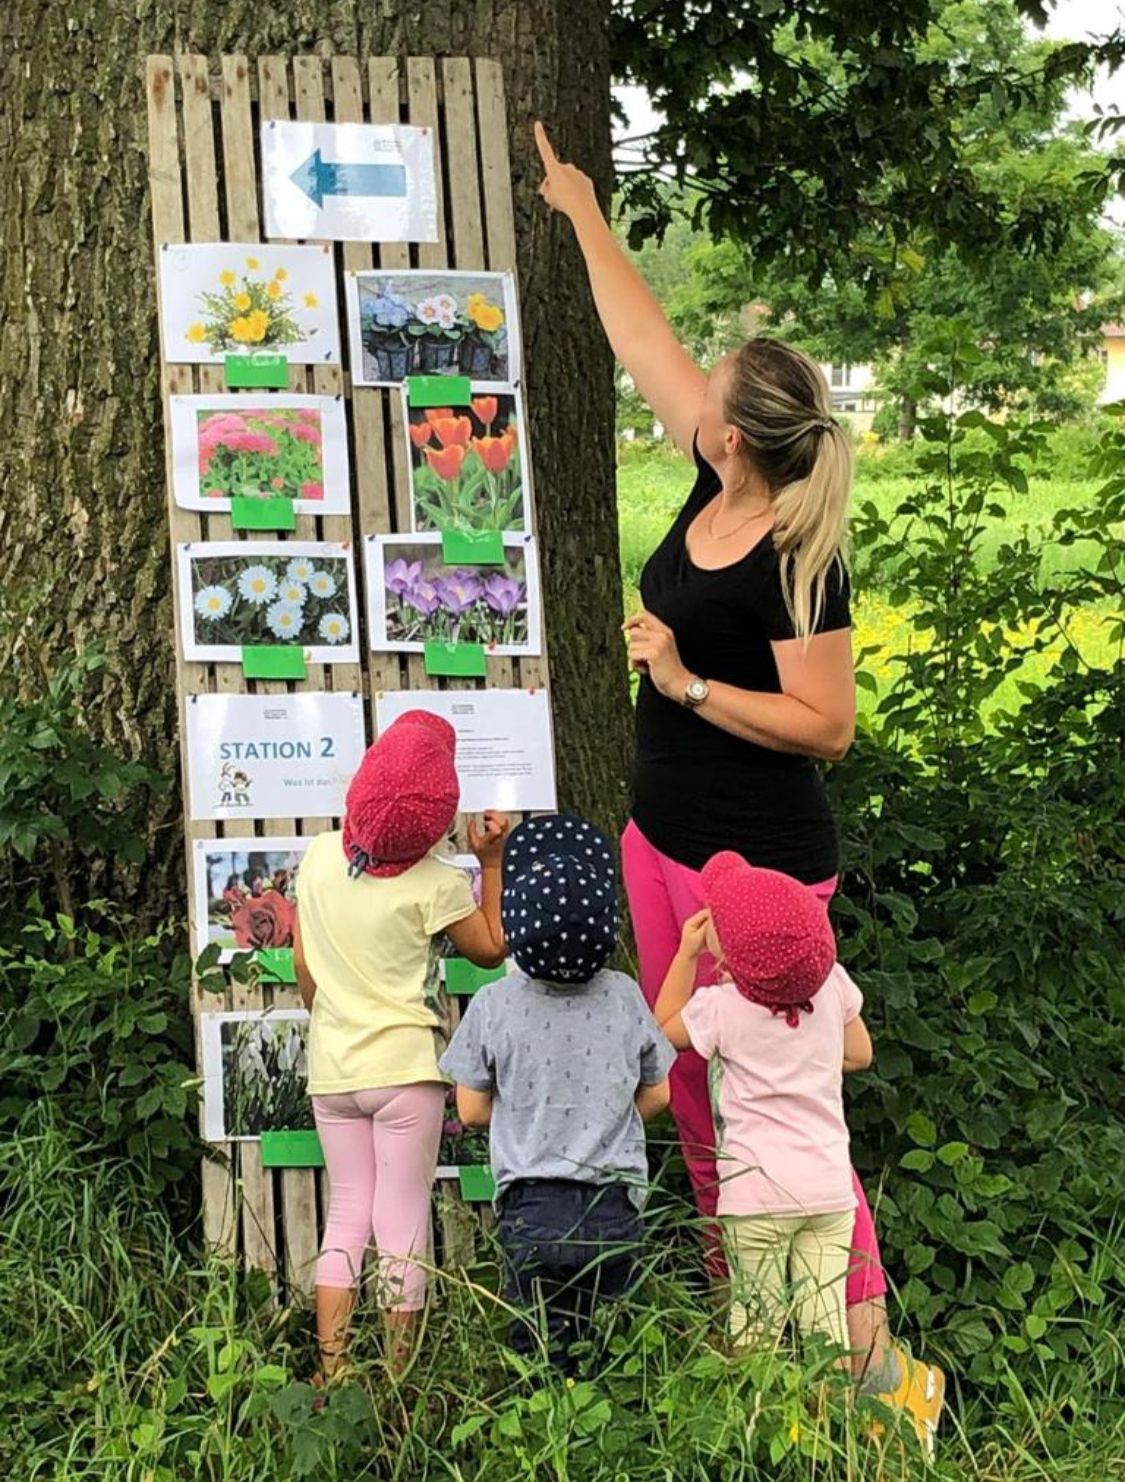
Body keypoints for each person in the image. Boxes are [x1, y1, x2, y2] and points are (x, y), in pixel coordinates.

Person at [532, 118, 894, 1388]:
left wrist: (683, 682)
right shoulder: (715, 478)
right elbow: (646, 345)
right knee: (693, 1080)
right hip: (661, 838)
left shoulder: (803, 555)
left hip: (764, 868)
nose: (704, 381)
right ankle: (743, 1319)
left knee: (782, 1104)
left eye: (722, 381)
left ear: (741, 436)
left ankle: (862, 1354)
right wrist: (579, 209)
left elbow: (828, 728)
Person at [655, 856, 944, 1456]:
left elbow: (663, 1028)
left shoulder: (720, 1007)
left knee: (756, 1328)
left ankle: (760, 1443)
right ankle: (835, 1442)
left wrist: (688, 955)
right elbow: (859, 1053)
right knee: (825, 1328)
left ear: (730, 955)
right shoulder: (832, 985)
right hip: (828, 1193)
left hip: (756, 1196)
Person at [293, 710, 510, 1379]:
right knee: (403, 1219)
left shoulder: (319, 857)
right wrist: (491, 862)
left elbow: (304, 970)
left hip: (333, 1068)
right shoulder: (438, 882)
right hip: (406, 1072)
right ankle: (396, 1378)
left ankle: (331, 1368)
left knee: (346, 1214)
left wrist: (331, 1016)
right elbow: (491, 949)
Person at [439, 815, 675, 1371]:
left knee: (536, 1343)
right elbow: (659, 1094)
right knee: (608, 1342)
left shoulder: (496, 1004)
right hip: (613, 1203)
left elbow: (469, 1111)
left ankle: (542, 1434)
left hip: (531, 1207)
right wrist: (612, 1113)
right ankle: (607, 1432)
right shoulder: (623, 994)